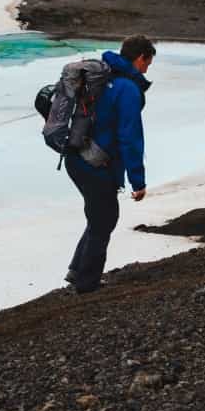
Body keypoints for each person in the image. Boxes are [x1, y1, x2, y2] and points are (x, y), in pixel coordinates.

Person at [65, 35, 155, 294]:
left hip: (75, 156)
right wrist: (138, 181)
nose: (147, 69)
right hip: (94, 162)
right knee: (105, 218)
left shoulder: (104, 78)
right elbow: (130, 137)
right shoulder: (127, 89)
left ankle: (77, 271)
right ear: (140, 58)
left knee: (98, 215)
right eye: (148, 63)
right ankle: (86, 283)